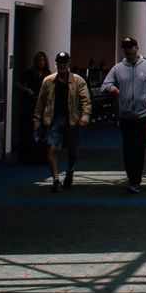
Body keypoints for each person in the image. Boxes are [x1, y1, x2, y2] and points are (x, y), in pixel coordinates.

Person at [101, 37, 146, 194]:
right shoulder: (118, 68)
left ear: (137, 47)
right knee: (128, 149)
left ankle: (136, 180)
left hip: (143, 116)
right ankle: (132, 177)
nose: (128, 50)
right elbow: (104, 85)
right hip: (125, 116)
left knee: (139, 147)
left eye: (130, 47)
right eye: (125, 47)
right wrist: (111, 88)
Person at [33, 51, 91, 191]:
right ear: (56, 64)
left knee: (74, 152)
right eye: (59, 63)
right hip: (54, 119)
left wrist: (85, 116)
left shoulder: (78, 81)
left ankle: (70, 170)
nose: (62, 65)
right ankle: (56, 180)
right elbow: (40, 103)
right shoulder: (48, 81)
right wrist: (37, 120)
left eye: (64, 63)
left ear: (69, 64)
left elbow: (85, 101)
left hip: (72, 120)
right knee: (52, 148)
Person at [15, 50, 50, 165]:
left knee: (43, 129)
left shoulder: (47, 73)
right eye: (39, 60)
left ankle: (42, 155)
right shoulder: (29, 73)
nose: (42, 62)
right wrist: (27, 90)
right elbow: (18, 83)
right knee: (28, 128)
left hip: (42, 103)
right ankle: (27, 156)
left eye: (43, 60)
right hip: (30, 102)